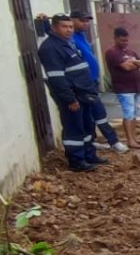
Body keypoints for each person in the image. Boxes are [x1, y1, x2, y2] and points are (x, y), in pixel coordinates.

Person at [38, 14, 108, 172]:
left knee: (87, 127)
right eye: (64, 27)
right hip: (72, 96)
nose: (68, 30)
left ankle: (89, 155)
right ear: (54, 28)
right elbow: (57, 78)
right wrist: (70, 99)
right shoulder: (50, 48)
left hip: (84, 93)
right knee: (74, 129)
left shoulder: (68, 43)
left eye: (70, 27)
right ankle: (77, 160)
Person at [70, 11, 128, 154]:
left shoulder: (81, 36)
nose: (85, 24)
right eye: (82, 21)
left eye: (87, 21)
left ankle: (92, 141)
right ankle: (113, 141)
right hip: (81, 84)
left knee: (91, 114)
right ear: (73, 20)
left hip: (92, 81)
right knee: (97, 112)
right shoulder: (69, 39)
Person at [105, 27, 140, 149]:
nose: (125, 43)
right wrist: (135, 62)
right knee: (128, 113)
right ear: (115, 38)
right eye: (122, 40)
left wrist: (133, 62)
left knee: (134, 113)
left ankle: (134, 138)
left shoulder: (129, 52)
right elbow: (126, 67)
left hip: (135, 87)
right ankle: (130, 140)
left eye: (126, 40)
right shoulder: (112, 52)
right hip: (124, 88)